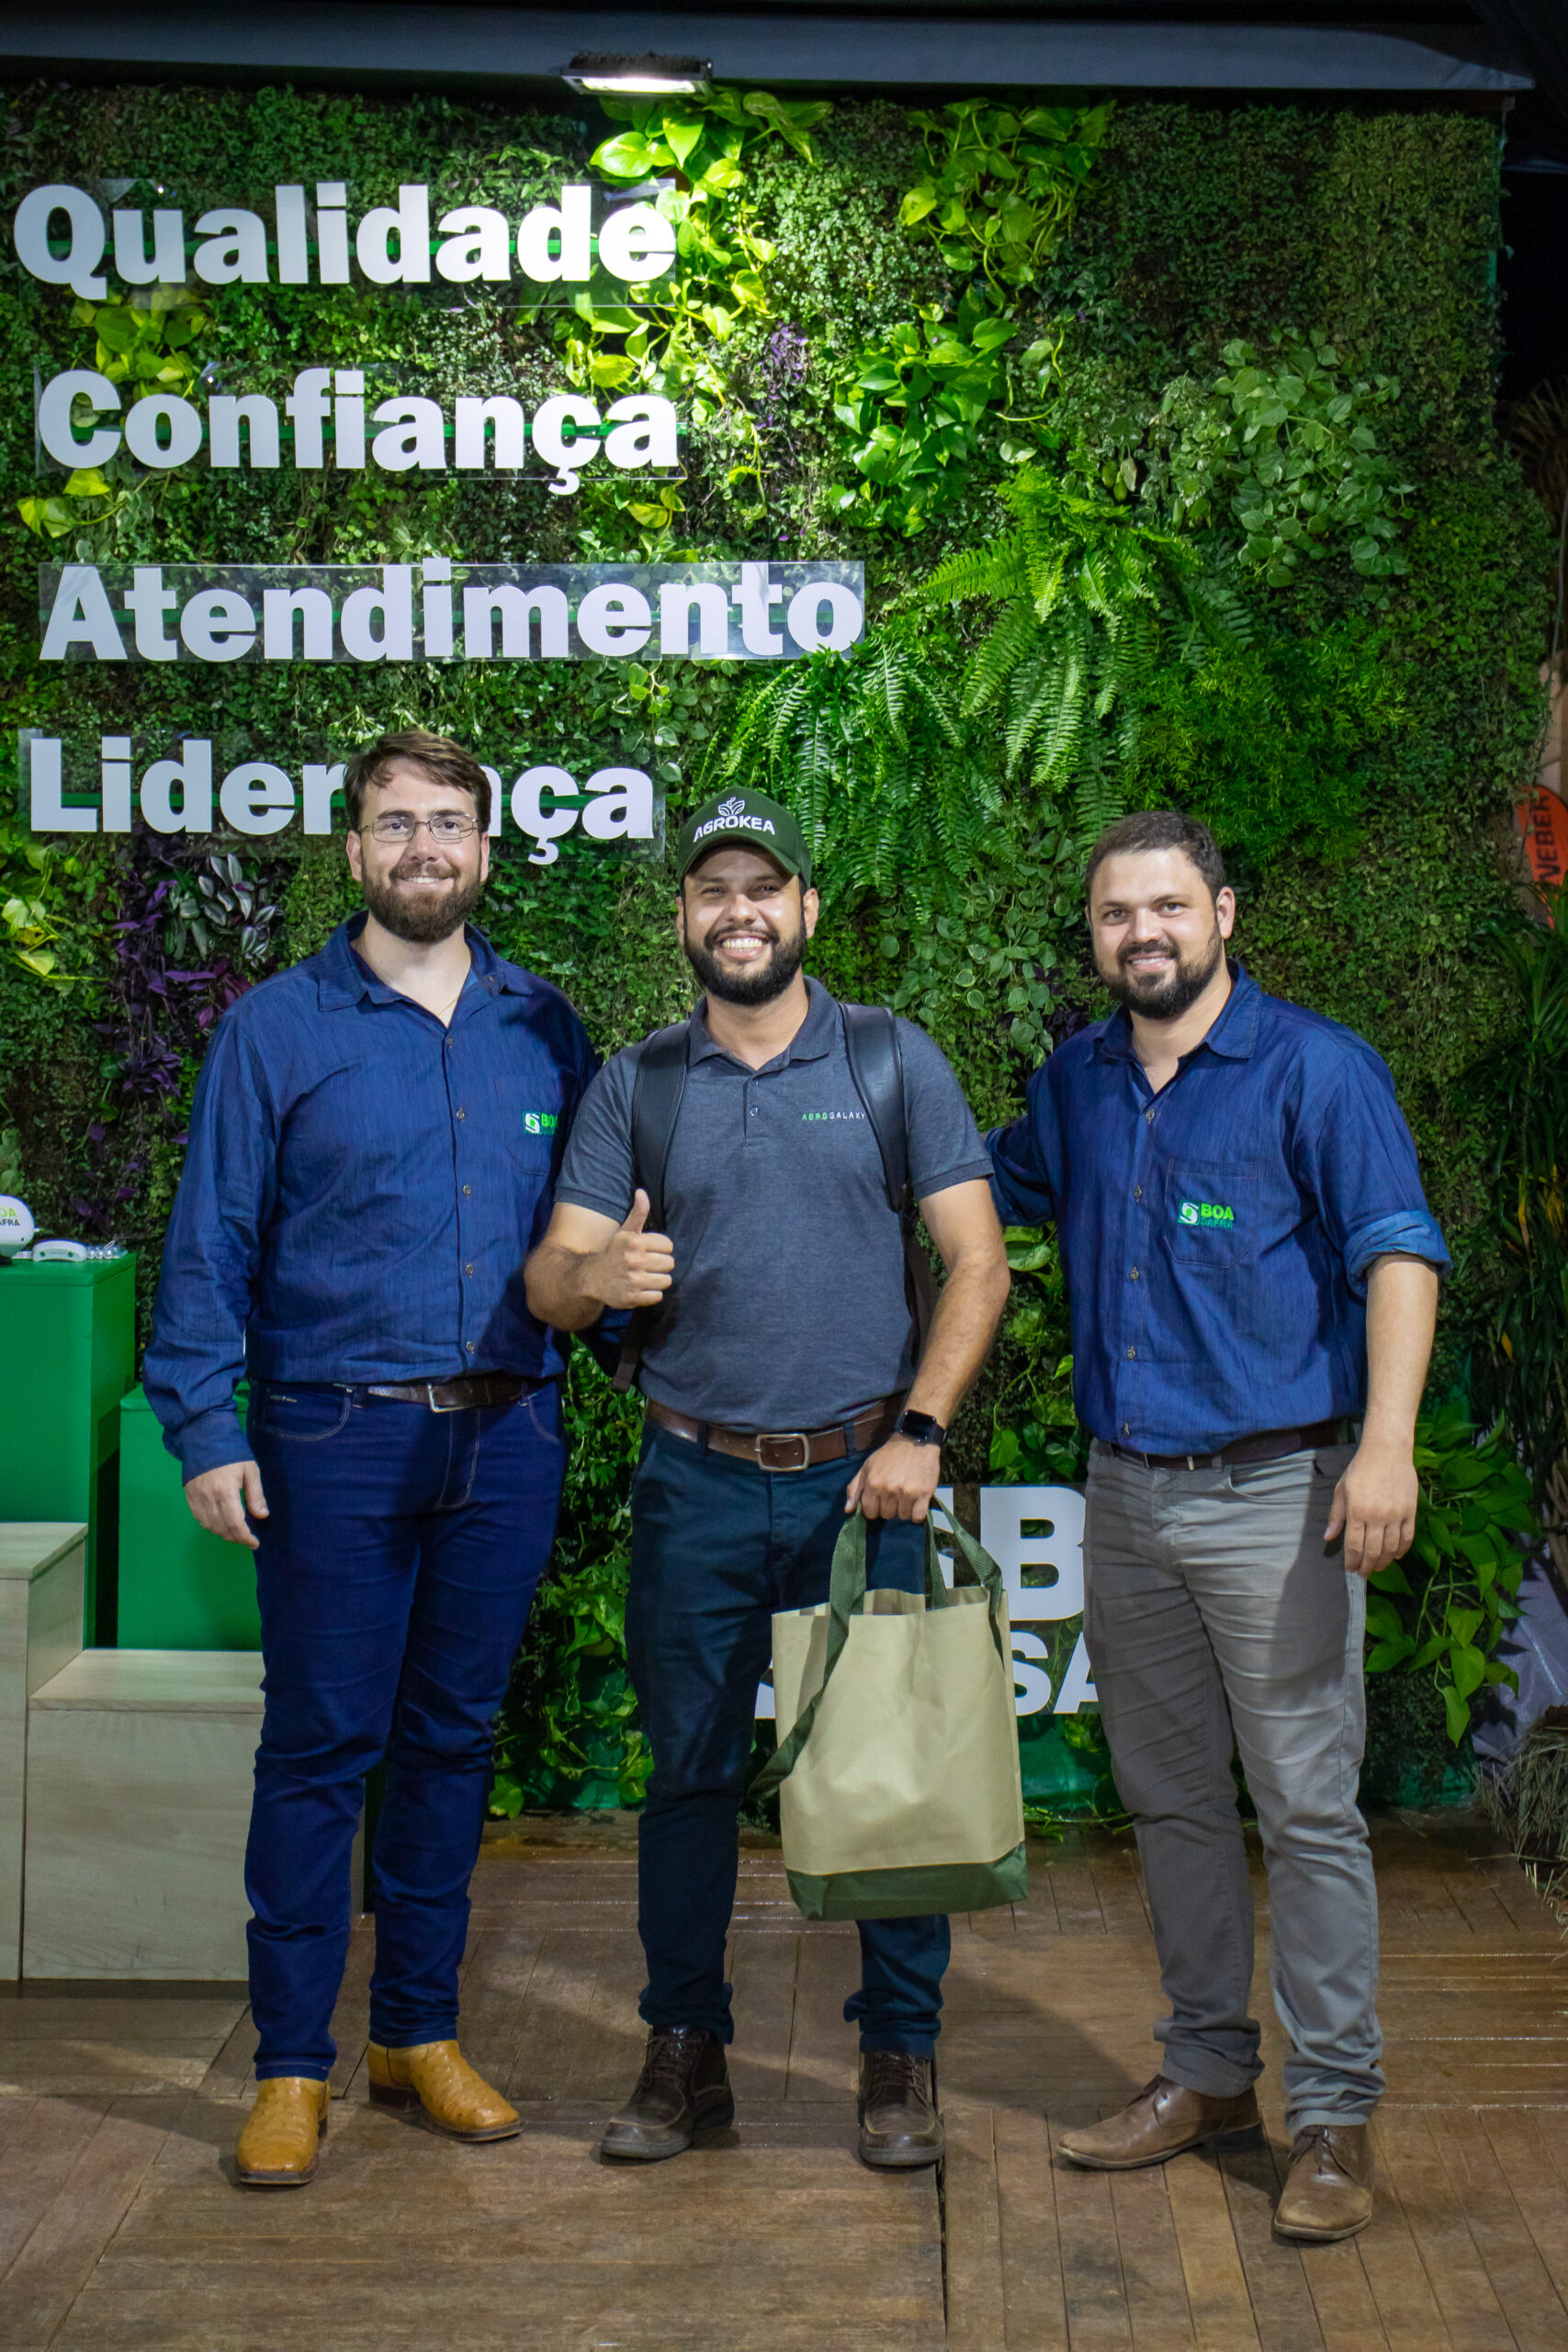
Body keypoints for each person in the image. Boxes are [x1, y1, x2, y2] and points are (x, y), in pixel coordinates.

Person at [525, 789, 1010, 2170]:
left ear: (805, 907)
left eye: (762, 889)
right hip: (695, 1482)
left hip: (866, 1483)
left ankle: (899, 2052)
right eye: (712, 892)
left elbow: (979, 1262)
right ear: (684, 916)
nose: (738, 914)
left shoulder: (890, 1060)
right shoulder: (639, 1085)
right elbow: (551, 1281)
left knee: (890, 1770)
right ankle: (686, 2051)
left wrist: (920, 1432)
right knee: (686, 1779)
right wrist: (595, 1274)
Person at [145, 728, 598, 2188]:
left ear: (485, 849)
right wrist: (204, 1426)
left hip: (509, 1434)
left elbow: (590, 1240)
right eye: (395, 823)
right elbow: (210, 1237)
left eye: (448, 822)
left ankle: (415, 2032)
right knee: (320, 1749)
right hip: (330, 1437)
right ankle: (291, 2065)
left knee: (454, 1744)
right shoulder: (276, 1029)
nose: (423, 847)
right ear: (352, 850)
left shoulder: (548, 1027)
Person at [987, 808, 1449, 2244]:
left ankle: (1335, 2119)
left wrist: (1386, 1449)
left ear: (1225, 914)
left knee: (1306, 1810)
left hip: (1282, 1498)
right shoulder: (1076, 1084)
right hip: (1126, 1497)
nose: (1145, 933)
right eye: (1118, 913)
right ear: (1094, 934)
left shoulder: (1316, 1070)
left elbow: (1398, 1253)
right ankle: (1206, 2075)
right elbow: (975, 1193)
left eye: (1170, 907)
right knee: (1173, 1800)